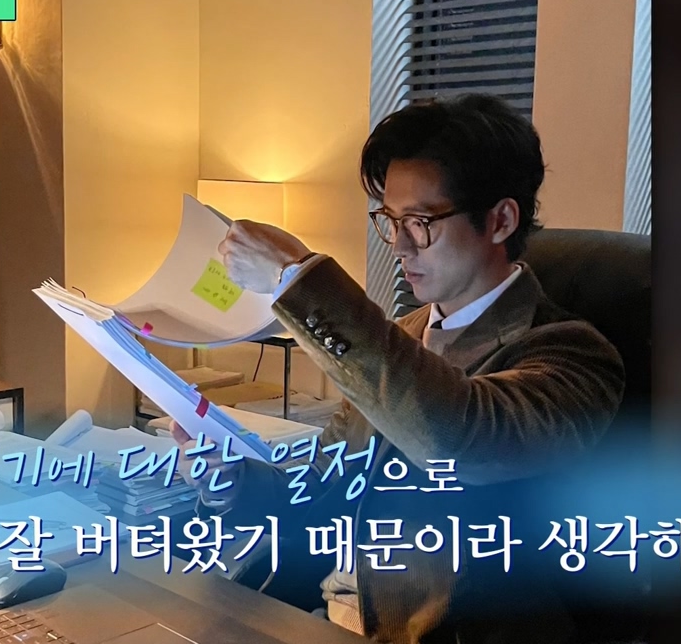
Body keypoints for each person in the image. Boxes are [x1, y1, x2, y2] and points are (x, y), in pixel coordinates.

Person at [171, 94, 626, 644]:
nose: (401, 246)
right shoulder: (402, 337)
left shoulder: (571, 353)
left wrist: (297, 278)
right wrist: (229, 480)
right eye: (391, 221)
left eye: (421, 222)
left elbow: (459, 439)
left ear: (501, 220)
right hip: (324, 616)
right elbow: (327, 489)